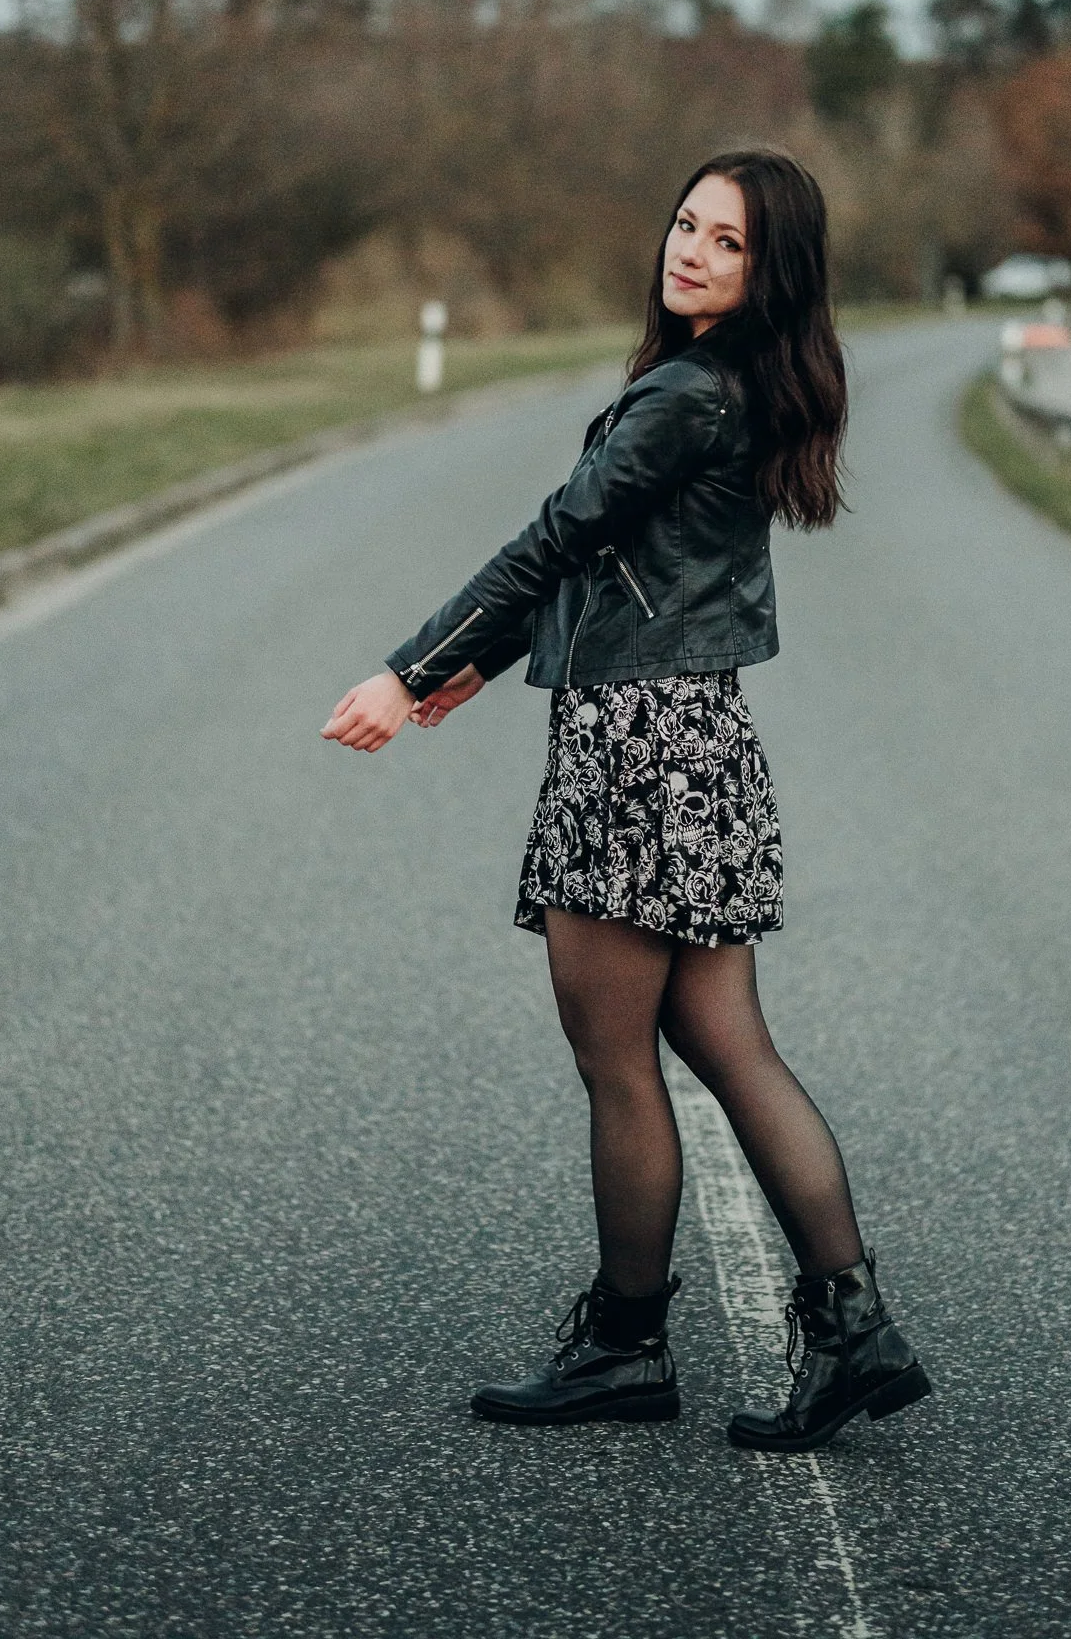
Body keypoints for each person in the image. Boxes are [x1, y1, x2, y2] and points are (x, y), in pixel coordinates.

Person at [322, 149, 930, 1452]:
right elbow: (605, 562)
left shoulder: (687, 397)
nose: (692, 250)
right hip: (703, 738)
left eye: (730, 241)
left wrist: (405, 672)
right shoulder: (735, 385)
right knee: (726, 1043)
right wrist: (480, 671)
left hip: (634, 754)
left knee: (619, 1064)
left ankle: (624, 1346)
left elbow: (554, 540)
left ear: (774, 273)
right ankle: (853, 1329)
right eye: (686, 224)